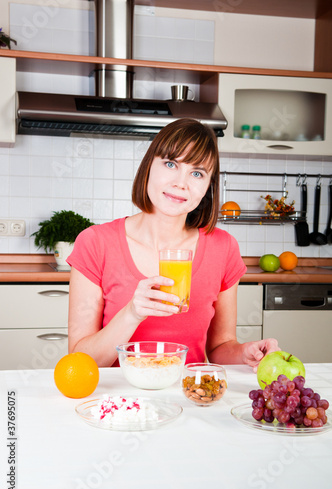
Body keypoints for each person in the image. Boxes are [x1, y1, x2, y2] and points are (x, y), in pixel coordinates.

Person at [67, 118, 279, 370]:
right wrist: (131, 314)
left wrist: (244, 352)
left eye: (197, 173)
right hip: (118, 402)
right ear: (149, 167)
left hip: (190, 397)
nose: (181, 182)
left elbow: (219, 347)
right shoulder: (95, 243)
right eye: (170, 164)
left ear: (207, 187)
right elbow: (79, 361)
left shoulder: (224, 248)